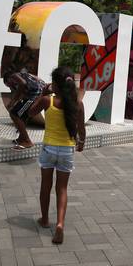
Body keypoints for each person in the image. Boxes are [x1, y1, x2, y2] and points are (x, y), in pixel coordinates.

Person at [26, 66, 85, 244]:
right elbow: (81, 129)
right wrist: (81, 143)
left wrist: (42, 92)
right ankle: (59, 224)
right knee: (62, 189)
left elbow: (30, 113)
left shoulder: (47, 101)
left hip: (49, 149)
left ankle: (45, 220)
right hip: (67, 150)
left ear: (56, 86)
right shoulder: (77, 103)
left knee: (46, 186)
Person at [3, 68, 49, 149]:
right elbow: (39, 81)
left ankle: (27, 140)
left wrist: (13, 101)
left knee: (14, 114)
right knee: (23, 116)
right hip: (40, 93)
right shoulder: (26, 75)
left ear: (8, 79)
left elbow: (22, 84)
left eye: (9, 85)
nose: (11, 87)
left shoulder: (13, 76)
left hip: (33, 95)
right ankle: (21, 138)